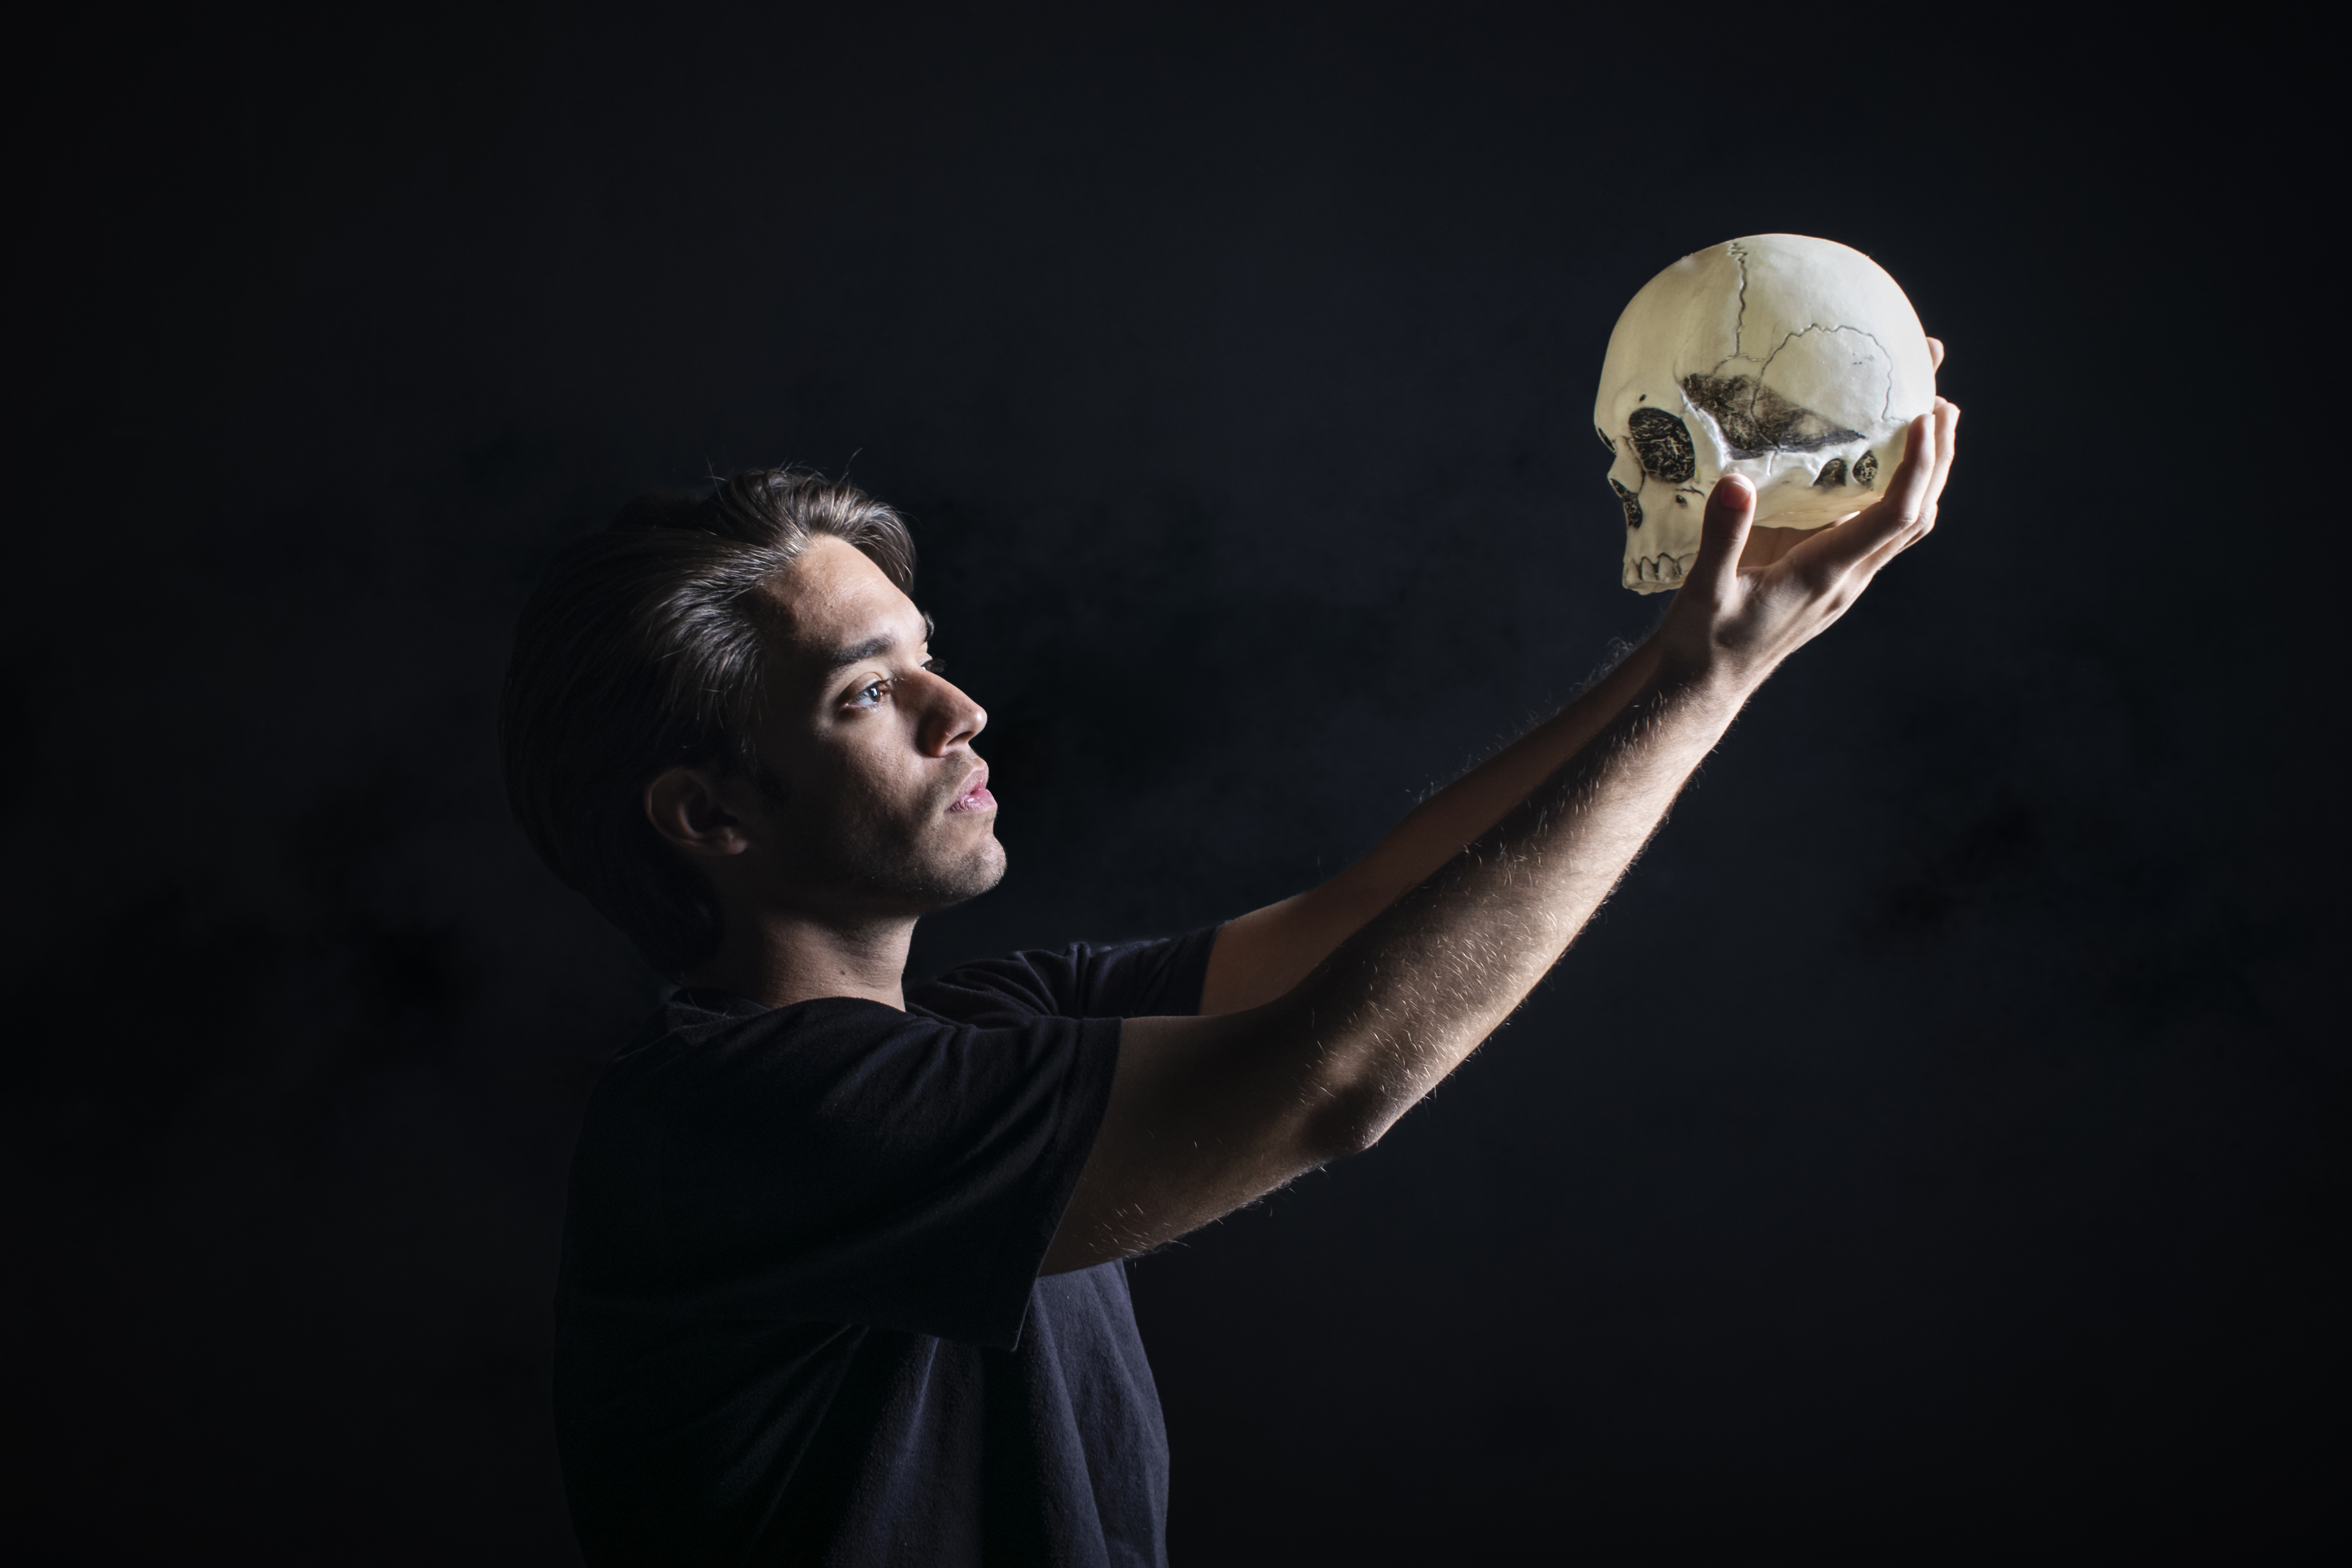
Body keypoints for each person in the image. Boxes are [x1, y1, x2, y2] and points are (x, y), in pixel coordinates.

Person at [499, 372, 1958, 1566]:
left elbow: (1375, 904)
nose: (963, 709)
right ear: (710, 816)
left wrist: (1701, 651)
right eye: (870, 691)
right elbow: (1334, 1078)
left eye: (926, 654)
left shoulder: (998, 1028)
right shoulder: (728, 1123)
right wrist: (1706, 690)